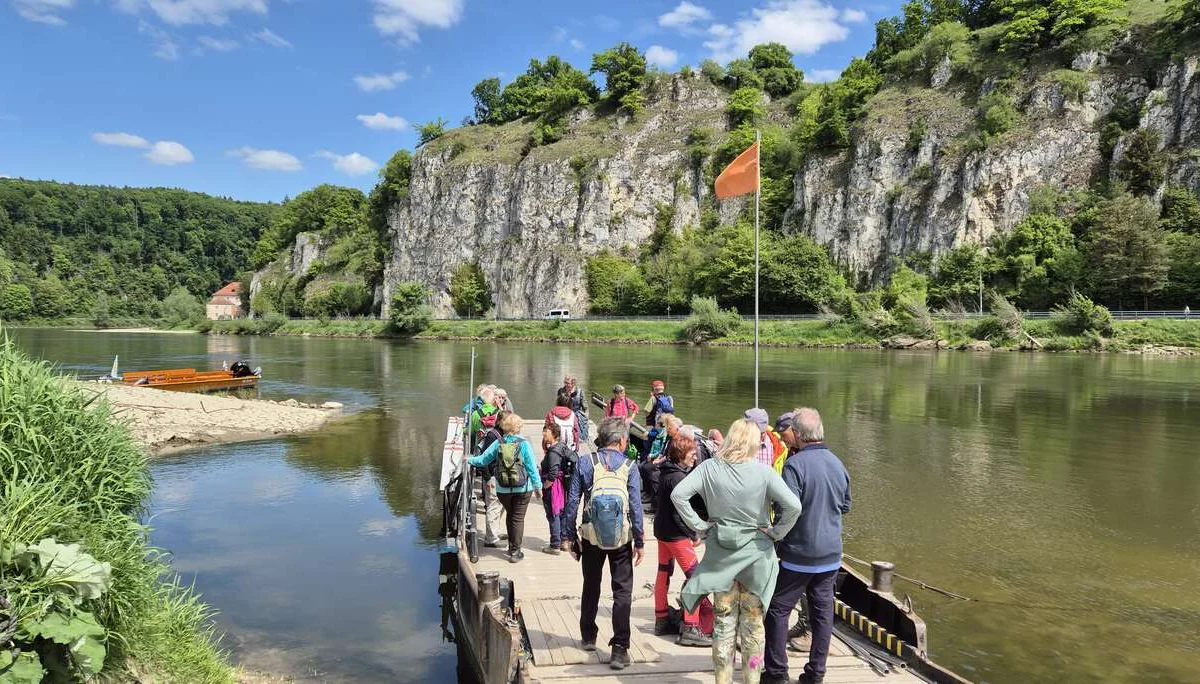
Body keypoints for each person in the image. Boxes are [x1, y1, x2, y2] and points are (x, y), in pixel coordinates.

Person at [670, 419, 801, 684]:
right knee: (754, 627)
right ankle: (752, 678)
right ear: (752, 443)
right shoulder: (764, 473)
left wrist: (699, 525)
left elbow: (678, 495)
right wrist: (776, 532)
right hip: (756, 560)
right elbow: (794, 507)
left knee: (723, 625)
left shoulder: (709, 468)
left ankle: (723, 680)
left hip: (722, 560)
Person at [763, 408, 851, 684]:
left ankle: (777, 673)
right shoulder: (838, 463)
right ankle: (815, 674)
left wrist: (774, 534)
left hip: (799, 554)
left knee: (777, 610)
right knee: (822, 615)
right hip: (831, 554)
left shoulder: (795, 466)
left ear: (799, 435)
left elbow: (786, 508)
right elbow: (845, 505)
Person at [564, 417, 645, 671]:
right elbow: (636, 506)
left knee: (591, 584)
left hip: (591, 536)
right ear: (621, 440)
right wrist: (640, 540)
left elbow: (572, 502)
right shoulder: (630, 466)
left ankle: (588, 636)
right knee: (622, 591)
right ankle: (619, 649)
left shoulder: (585, 462)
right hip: (621, 539)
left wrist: (569, 536)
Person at [654, 434, 713, 647]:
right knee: (696, 578)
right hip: (676, 535)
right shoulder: (679, 478)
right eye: (692, 454)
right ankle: (691, 627)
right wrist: (693, 533)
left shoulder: (665, 472)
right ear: (681, 454)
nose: (695, 457)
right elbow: (679, 514)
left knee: (663, 572)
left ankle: (661, 618)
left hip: (662, 531)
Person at [467, 412, 543, 563]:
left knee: (510, 514)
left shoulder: (498, 443)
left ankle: (511, 546)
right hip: (523, 488)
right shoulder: (524, 444)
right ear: (517, 428)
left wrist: (468, 459)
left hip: (502, 489)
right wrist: (538, 487)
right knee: (518, 518)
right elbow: (532, 468)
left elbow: (483, 460)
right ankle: (515, 551)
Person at [469, 388, 504, 548]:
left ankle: (493, 532)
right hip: (496, 470)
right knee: (495, 503)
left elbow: (469, 430)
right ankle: (492, 535)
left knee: (494, 501)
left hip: (483, 454)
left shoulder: (476, 414)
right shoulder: (497, 417)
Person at [540, 422, 574, 555]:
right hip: (563, 485)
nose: (543, 434)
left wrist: (546, 485)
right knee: (562, 513)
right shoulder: (562, 447)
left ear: (554, 434)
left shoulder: (553, 451)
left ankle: (554, 545)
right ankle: (564, 541)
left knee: (553, 513)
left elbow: (553, 472)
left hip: (554, 487)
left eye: (546, 432)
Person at [561, 375, 589, 445]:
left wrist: (586, 416)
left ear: (573, 384)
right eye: (565, 382)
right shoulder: (561, 391)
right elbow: (558, 405)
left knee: (580, 434)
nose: (566, 385)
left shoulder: (580, 392)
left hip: (576, 414)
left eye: (568, 383)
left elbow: (585, 406)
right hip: (564, 414)